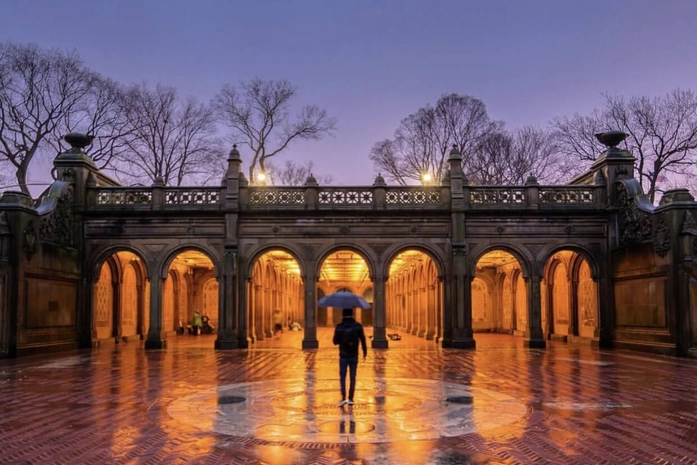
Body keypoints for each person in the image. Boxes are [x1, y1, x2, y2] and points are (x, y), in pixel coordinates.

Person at [333, 308, 367, 407]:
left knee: (342, 377)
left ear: (343, 315)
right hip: (354, 355)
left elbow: (335, 341)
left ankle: (343, 397)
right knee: (353, 377)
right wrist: (365, 352)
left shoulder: (339, 326)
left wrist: (341, 338)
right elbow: (363, 339)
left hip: (343, 355)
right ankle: (351, 398)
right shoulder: (358, 326)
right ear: (353, 314)